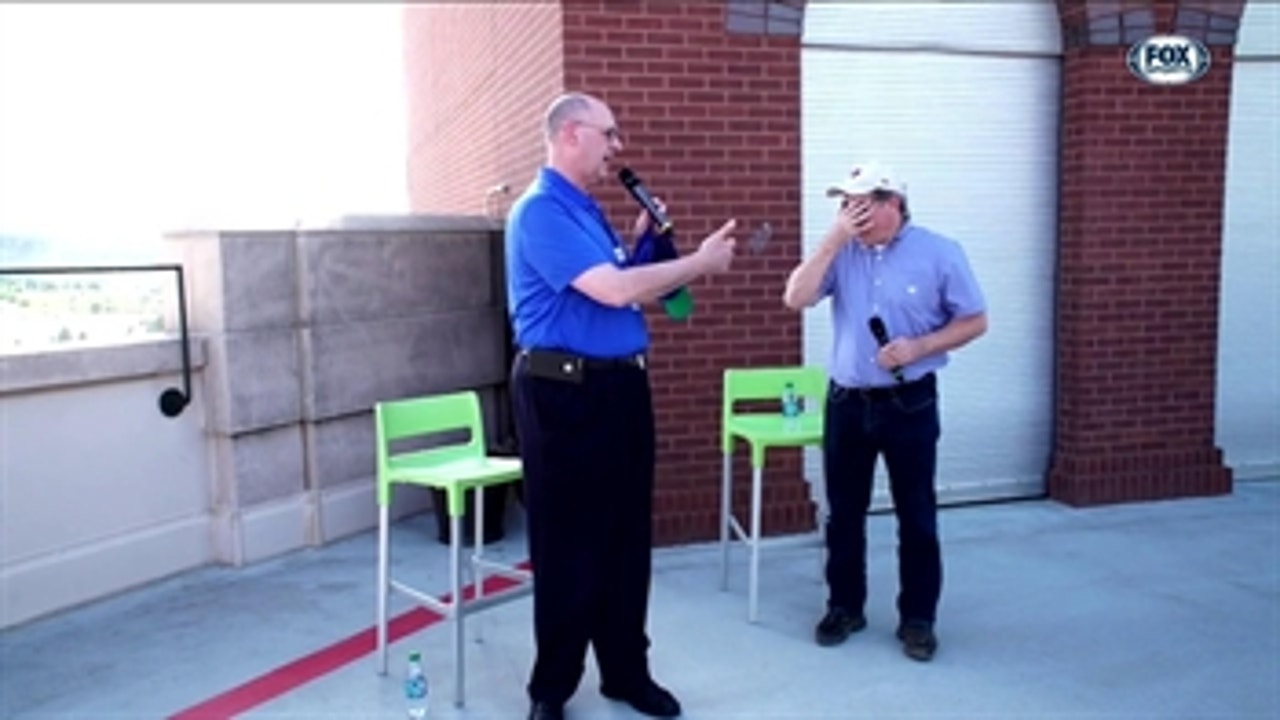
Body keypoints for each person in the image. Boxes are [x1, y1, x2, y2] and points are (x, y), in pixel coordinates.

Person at [505, 91, 738, 720]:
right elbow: (610, 291)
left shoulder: (588, 212)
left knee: (625, 539)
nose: (618, 147)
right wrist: (702, 263)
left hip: (620, 391)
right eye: (610, 134)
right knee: (567, 544)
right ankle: (550, 691)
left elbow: (619, 288)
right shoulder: (540, 212)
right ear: (572, 134)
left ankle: (625, 673)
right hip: (563, 396)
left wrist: (641, 244)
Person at [782, 161, 988, 662]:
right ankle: (844, 606)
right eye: (843, 203)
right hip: (848, 402)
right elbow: (796, 297)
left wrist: (920, 348)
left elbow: (975, 320)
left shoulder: (940, 252)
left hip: (909, 401)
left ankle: (918, 618)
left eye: (859, 203)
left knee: (916, 514)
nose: (849, 212)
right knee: (844, 515)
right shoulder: (842, 251)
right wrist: (832, 240)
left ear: (892, 203)